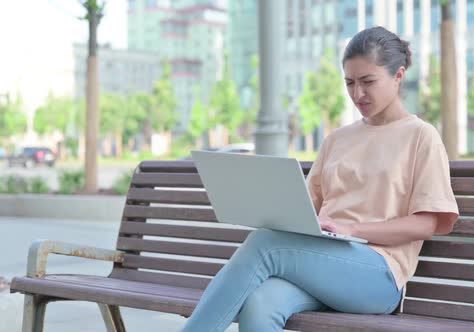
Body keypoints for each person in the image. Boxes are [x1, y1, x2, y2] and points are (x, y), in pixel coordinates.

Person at [181, 26, 459, 332]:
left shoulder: (421, 136)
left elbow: (427, 223)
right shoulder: (338, 139)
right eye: (350, 83)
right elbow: (306, 210)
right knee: (261, 302)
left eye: (368, 82)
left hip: (378, 274)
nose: (357, 94)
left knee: (265, 245)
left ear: (399, 75)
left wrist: (352, 228)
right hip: (323, 263)